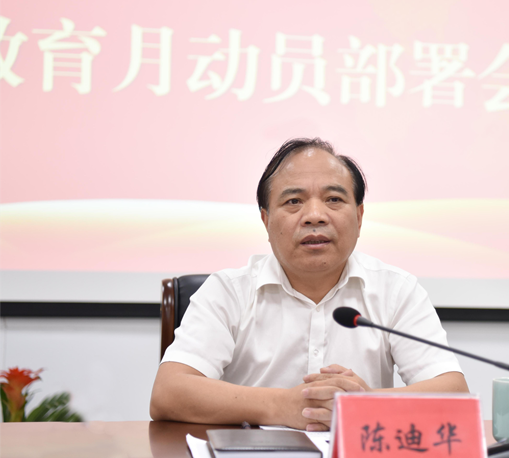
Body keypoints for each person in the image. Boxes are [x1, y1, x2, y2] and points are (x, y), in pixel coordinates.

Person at [150, 138, 469, 431]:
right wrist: (282, 406)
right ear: (266, 219)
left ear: (359, 217)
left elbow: (453, 392)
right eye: (293, 201)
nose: (315, 216)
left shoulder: (396, 290)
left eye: (334, 199)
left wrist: (367, 405)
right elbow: (169, 393)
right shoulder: (228, 291)